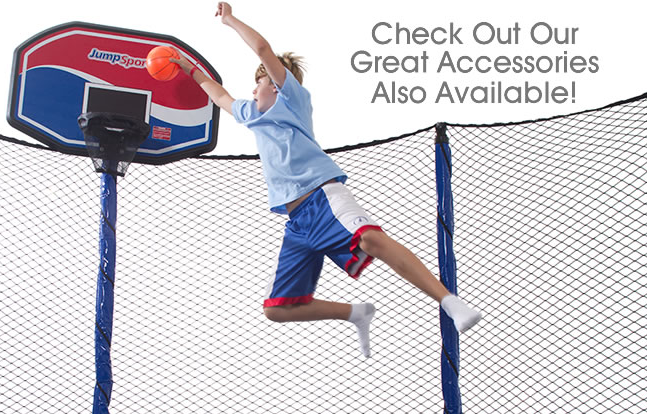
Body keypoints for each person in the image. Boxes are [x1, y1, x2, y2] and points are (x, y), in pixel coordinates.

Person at [171, 2, 481, 357]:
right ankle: (356, 313)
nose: (254, 92)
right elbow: (220, 96)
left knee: (370, 241)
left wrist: (229, 20)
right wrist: (189, 70)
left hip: (322, 197)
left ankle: (449, 301)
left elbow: (262, 49)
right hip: (298, 222)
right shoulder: (252, 115)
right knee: (277, 308)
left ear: (276, 85)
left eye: (261, 84)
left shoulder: (292, 101)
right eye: (255, 87)